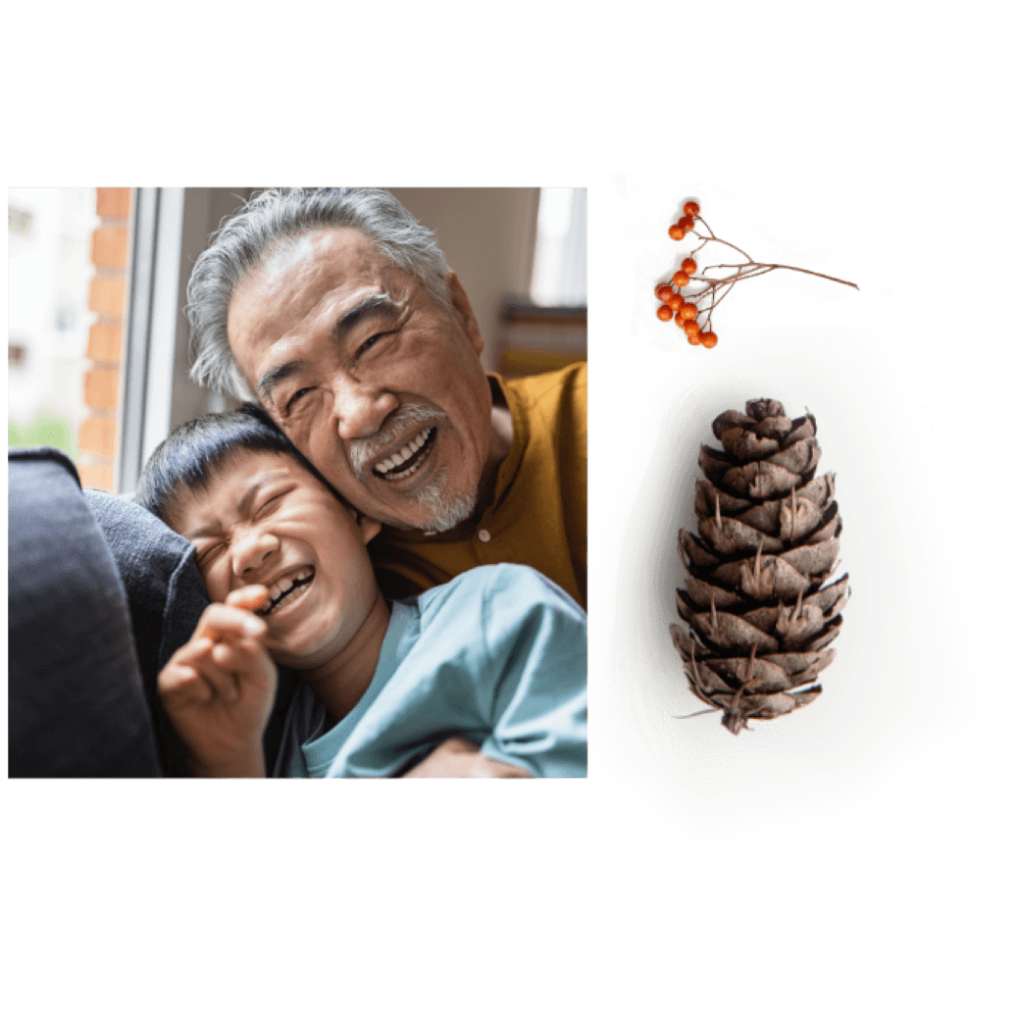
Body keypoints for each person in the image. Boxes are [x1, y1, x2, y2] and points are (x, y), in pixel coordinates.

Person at [185, 187, 588, 612]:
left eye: (372, 341)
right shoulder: (322, 589)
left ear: (460, 312)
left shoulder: (621, 417)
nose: (359, 415)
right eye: (300, 394)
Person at [135, 407, 588, 780]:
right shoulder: (264, 748)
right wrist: (227, 762)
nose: (249, 553)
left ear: (359, 510)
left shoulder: (497, 612)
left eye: (269, 502)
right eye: (210, 551)